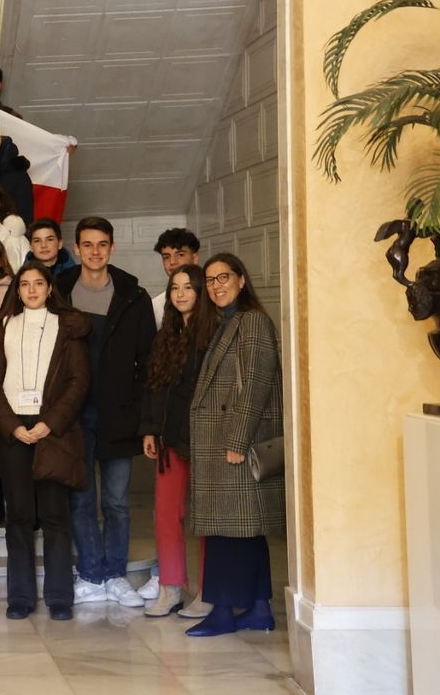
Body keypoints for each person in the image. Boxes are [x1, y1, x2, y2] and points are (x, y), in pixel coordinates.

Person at [0, 261, 91, 620]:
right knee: (19, 515)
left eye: (38, 283)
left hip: (52, 429)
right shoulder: (1, 327)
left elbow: (79, 381)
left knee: (55, 514)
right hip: (12, 431)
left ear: (49, 288)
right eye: (24, 284)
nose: (31, 290)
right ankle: (21, 598)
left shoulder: (66, 327)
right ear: (17, 290)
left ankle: (60, 598)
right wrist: (11, 426)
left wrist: (49, 424)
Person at [54, 217, 156, 608]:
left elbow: (149, 361)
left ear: (112, 248)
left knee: (116, 502)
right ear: (76, 249)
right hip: (74, 415)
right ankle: (91, 574)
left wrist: (144, 416)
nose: (95, 252)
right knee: (81, 501)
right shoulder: (59, 292)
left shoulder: (133, 296)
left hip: (119, 415)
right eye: (87, 244)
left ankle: (115, 575)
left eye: (102, 244)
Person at [185, 254, 285, 638]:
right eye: (210, 280)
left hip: (234, 443)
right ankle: (259, 608)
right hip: (223, 441)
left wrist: (238, 440)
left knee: (229, 531)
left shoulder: (252, 321)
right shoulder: (225, 322)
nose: (216, 286)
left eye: (223, 277)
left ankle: (223, 611)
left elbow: (256, 384)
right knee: (245, 529)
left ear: (241, 280)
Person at [140, 263, 218, 618]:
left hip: (204, 439)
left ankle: (207, 592)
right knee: (166, 515)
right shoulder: (165, 336)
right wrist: (150, 429)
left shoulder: (214, 335)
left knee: (205, 517)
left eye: (188, 287)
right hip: (169, 440)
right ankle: (170, 587)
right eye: (175, 288)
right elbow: (153, 388)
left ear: (200, 292)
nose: (181, 293)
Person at [152, 228, 201, 329]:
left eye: (180, 255)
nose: (172, 262)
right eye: (166, 257)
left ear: (195, 258)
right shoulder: (156, 305)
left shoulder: (213, 296)